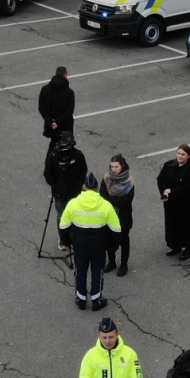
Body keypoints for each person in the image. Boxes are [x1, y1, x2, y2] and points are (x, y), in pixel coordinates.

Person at [59, 173, 122, 311]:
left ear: (83, 187)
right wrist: (112, 246)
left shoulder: (73, 203)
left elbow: (63, 226)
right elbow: (116, 229)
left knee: (80, 272)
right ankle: (96, 301)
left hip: (80, 245)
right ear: (98, 188)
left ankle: (81, 300)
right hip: (98, 246)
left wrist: (67, 241)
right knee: (97, 273)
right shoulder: (106, 205)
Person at [44, 132, 88, 250]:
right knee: (62, 216)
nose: (68, 147)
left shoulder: (78, 155)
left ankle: (74, 238)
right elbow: (47, 173)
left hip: (75, 193)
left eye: (70, 145)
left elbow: (83, 170)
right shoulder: (53, 157)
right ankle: (63, 239)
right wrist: (55, 184)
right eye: (67, 145)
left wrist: (79, 182)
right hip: (60, 194)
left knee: (75, 215)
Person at [157, 144, 190, 260]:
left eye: (183, 154)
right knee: (172, 225)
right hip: (171, 203)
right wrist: (164, 191)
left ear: (188, 156)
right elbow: (160, 180)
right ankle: (175, 246)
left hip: (186, 205)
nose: (180, 156)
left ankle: (188, 248)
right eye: (178, 153)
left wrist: (171, 191)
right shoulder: (168, 165)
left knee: (186, 226)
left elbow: (188, 188)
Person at [101, 154, 135, 277]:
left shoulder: (129, 181)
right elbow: (102, 194)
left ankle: (124, 264)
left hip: (123, 217)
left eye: (116, 167)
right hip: (109, 216)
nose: (113, 169)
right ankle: (111, 262)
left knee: (124, 241)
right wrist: (112, 199)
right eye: (112, 166)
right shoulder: (107, 177)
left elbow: (127, 201)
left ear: (122, 166)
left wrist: (111, 199)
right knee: (109, 240)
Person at [37, 66, 74, 154]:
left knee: (53, 144)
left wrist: (51, 122)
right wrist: (57, 122)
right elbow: (69, 111)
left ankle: (49, 166)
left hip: (51, 127)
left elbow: (41, 107)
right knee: (67, 148)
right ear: (65, 75)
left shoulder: (45, 89)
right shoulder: (69, 92)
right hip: (65, 126)